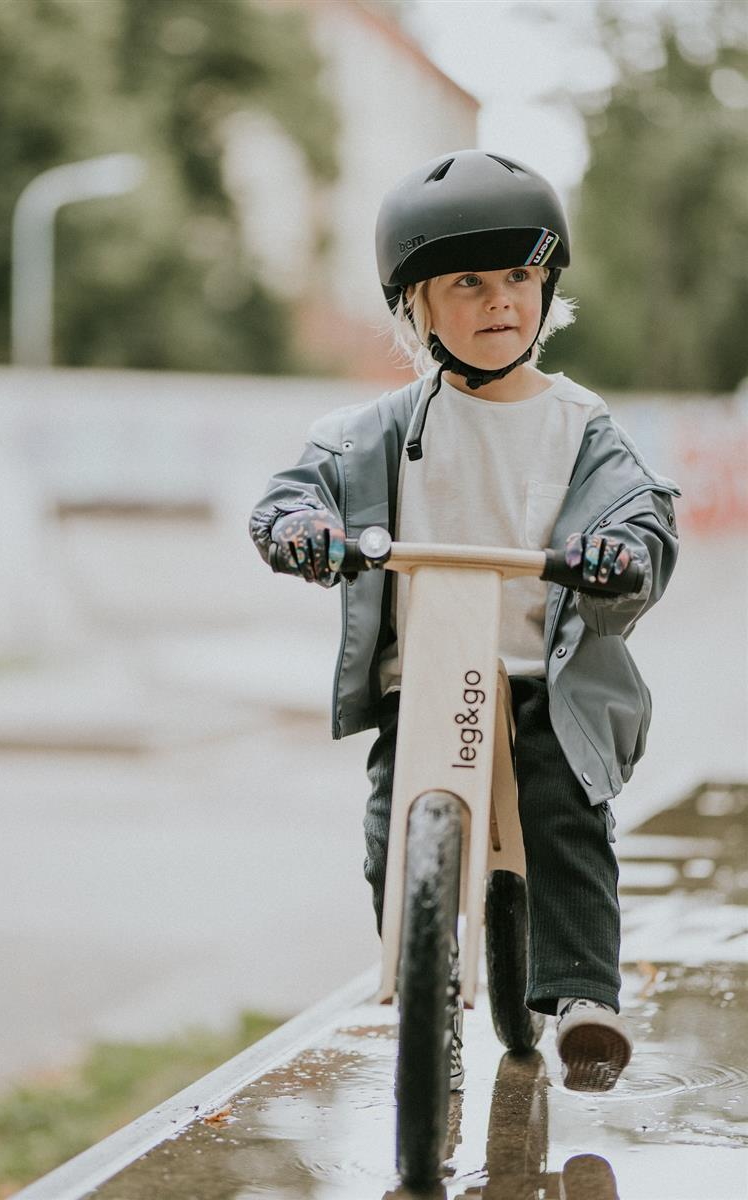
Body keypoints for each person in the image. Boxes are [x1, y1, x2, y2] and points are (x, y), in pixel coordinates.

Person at [249, 150, 680, 1092]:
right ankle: (420, 981)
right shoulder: (383, 427)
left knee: (565, 818)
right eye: (468, 283)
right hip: (424, 679)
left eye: (520, 277)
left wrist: (622, 550)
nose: (500, 302)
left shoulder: (580, 424)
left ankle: (582, 1001)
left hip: (542, 680)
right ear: (417, 309)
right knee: (387, 831)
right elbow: (295, 488)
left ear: (548, 287)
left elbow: (637, 508)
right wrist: (300, 527)